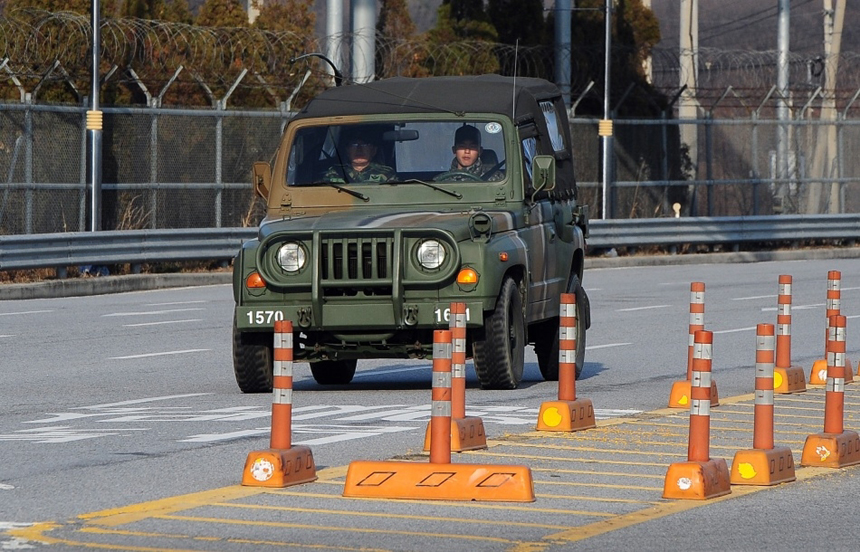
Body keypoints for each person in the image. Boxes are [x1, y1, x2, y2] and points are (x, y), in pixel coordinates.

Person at [323, 129, 395, 184]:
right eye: (354, 145)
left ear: (373, 150)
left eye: (364, 145)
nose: (359, 149)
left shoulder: (386, 173)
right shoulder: (333, 173)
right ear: (347, 150)